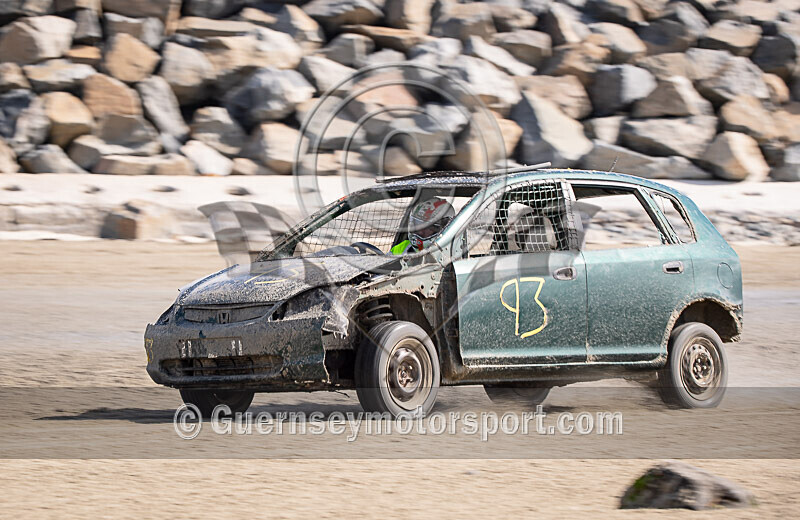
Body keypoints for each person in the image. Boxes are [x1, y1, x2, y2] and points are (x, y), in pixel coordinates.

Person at [391, 197, 455, 255]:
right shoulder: (400, 249)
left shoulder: (454, 254)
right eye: (416, 225)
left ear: (443, 230)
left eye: (428, 228)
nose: (420, 232)